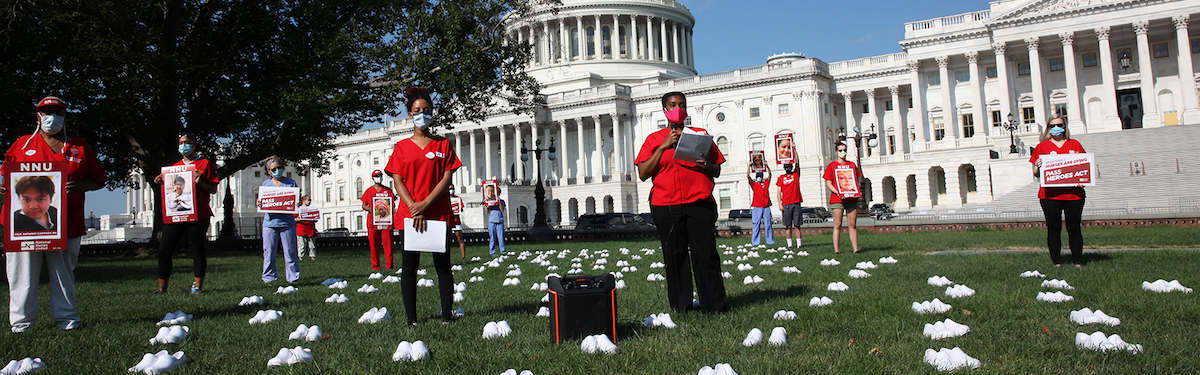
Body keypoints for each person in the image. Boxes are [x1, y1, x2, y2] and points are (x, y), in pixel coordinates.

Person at [1, 96, 107, 332]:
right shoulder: (21, 145)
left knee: (63, 274)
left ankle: (67, 320)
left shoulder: (78, 146)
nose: (52, 117)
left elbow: (99, 178)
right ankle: (21, 323)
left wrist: (82, 185)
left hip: (66, 222)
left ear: (65, 115)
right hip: (23, 227)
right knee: (22, 274)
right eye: (46, 112)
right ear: (37, 116)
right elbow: (7, 175)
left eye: (57, 112)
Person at [635, 91, 727, 314]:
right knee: (674, 257)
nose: (678, 108)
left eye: (682, 104)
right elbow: (643, 173)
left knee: (705, 255)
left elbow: (716, 170)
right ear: (665, 110)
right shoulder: (654, 140)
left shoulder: (700, 135)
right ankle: (681, 306)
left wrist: (705, 163)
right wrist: (664, 146)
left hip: (699, 202)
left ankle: (714, 306)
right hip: (666, 205)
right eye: (673, 104)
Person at [385, 87, 461, 326]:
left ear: (432, 113)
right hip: (410, 216)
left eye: (426, 110)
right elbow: (397, 180)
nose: (422, 114)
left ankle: (447, 316)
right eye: (417, 110)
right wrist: (414, 208)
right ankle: (411, 319)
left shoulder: (443, 145)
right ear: (410, 114)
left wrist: (426, 204)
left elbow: (446, 178)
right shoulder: (401, 147)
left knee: (443, 267)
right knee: (409, 267)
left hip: (437, 213)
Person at [152, 132, 218, 294]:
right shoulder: (174, 168)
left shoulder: (204, 164)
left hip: (199, 214)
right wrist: (160, 180)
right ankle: (162, 289)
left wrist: (200, 182)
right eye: (181, 143)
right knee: (164, 250)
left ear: (194, 144)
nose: (183, 146)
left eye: (187, 142)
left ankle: (198, 287)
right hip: (175, 215)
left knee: (197, 249)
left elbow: (213, 189)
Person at [1031, 114, 1086, 268]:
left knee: (1074, 227)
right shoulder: (1042, 147)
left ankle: (1077, 262)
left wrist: (1083, 180)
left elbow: (1083, 168)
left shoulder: (1075, 145)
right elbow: (1036, 174)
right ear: (1048, 128)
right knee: (1053, 228)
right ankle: (1057, 262)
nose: (1056, 128)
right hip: (1050, 195)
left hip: (1073, 195)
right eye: (1052, 125)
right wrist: (1038, 165)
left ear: (1065, 126)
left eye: (1060, 125)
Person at [258, 156, 299, 285]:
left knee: (290, 252)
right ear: (269, 172)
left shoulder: (291, 183)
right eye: (273, 169)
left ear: (283, 167)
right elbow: (262, 202)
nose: (277, 170)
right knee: (269, 252)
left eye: (278, 168)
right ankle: (269, 278)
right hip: (270, 223)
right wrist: (259, 202)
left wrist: (296, 203)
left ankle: (293, 278)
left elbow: (295, 201)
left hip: (287, 223)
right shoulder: (265, 184)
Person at [823, 143, 862, 254]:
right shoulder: (832, 166)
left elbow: (856, 180)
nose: (842, 152)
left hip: (851, 198)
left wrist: (857, 190)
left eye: (844, 150)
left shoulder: (852, 165)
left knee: (852, 224)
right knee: (837, 224)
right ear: (836, 152)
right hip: (837, 198)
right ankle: (837, 250)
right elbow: (829, 183)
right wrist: (838, 192)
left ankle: (856, 249)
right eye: (840, 150)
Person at [361, 170, 396, 270]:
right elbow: (363, 205)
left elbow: (392, 203)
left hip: (385, 221)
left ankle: (389, 266)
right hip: (372, 222)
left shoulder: (388, 190)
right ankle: (375, 266)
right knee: (373, 245)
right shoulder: (369, 191)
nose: (378, 178)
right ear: (373, 178)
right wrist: (369, 209)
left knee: (388, 244)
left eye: (380, 176)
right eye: (376, 176)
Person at [776, 164, 804, 249]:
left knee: (797, 225)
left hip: (796, 202)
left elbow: (798, 164)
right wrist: (780, 203)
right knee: (788, 225)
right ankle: (790, 244)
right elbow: (778, 191)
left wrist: (794, 151)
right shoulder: (781, 177)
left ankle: (799, 244)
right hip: (786, 204)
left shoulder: (795, 175)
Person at [747, 162, 774, 246]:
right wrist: (749, 166)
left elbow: (770, 175)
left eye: (760, 176)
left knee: (768, 224)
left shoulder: (765, 183)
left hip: (766, 206)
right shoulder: (754, 184)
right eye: (758, 177)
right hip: (757, 207)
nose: (759, 178)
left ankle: (770, 241)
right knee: (756, 224)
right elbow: (748, 177)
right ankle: (755, 242)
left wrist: (767, 166)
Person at [295, 195, 317, 260]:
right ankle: (300, 256)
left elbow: (316, 218)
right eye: (308, 200)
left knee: (312, 245)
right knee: (301, 244)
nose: (309, 201)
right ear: (304, 200)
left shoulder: (312, 209)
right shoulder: (298, 209)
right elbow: (293, 219)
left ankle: (313, 256)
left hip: (310, 229)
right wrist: (298, 219)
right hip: (301, 229)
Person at [448, 184, 466, 259]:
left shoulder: (458, 198)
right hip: (448, 220)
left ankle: (463, 256)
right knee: (447, 240)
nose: (451, 190)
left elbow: (461, 208)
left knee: (460, 239)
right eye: (450, 189)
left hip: (456, 221)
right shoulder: (445, 199)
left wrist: (458, 208)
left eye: (452, 188)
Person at [486, 191, 506, 256]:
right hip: (492, 221)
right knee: (492, 237)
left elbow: (502, 210)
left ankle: (503, 251)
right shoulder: (490, 202)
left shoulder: (502, 201)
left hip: (499, 221)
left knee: (501, 237)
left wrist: (499, 202)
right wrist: (486, 204)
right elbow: (486, 211)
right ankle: (492, 251)